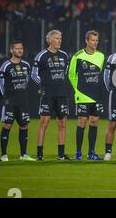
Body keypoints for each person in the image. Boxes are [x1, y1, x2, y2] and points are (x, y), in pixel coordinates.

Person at [31, 30, 70, 160]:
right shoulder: (41, 56)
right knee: (44, 123)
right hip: (47, 94)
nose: (59, 40)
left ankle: (61, 154)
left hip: (61, 94)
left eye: (60, 38)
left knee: (62, 124)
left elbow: (66, 72)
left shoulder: (64, 55)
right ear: (49, 40)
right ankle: (40, 154)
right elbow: (34, 74)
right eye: (57, 38)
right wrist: (43, 86)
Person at [68, 30, 105, 161]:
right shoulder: (77, 56)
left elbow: (100, 75)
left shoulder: (101, 56)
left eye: (96, 40)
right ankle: (78, 152)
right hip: (82, 95)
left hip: (96, 95)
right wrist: (77, 90)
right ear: (86, 41)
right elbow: (71, 75)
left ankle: (91, 152)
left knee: (94, 122)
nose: (95, 43)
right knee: (82, 122)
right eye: (92, 40)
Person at [0, 40, 36, 162]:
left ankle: (23, 154)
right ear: (11, 50)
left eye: (21, 48)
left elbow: (27, 81)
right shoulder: (5, 66)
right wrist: (5, 98)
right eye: (17, 48)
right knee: (7, 125)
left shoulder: (26, 65)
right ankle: (4, 155)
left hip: (22, 100)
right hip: (10, 101)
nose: (20, 50)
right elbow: (0, 84)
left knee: (24, 125)